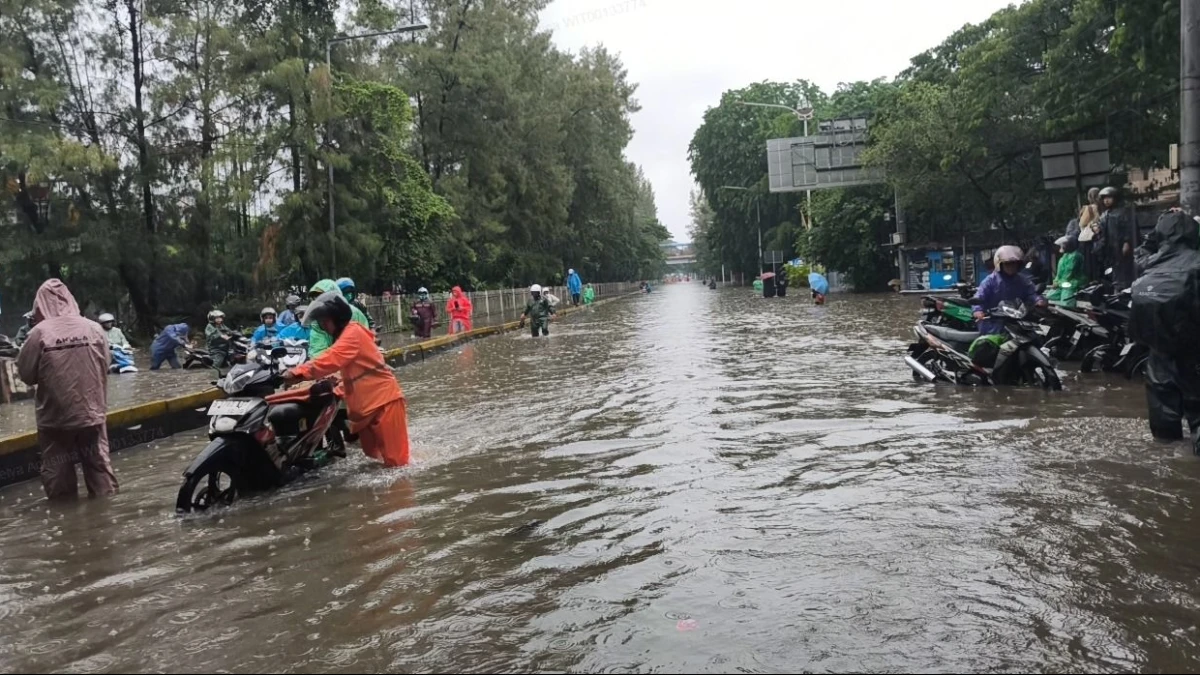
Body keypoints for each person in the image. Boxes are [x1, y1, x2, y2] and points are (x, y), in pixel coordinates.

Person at [15, 279, 118, 500]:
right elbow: (106, 364)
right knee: (99, 465)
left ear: (39, 305)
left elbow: (25, 374)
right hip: (92, 412)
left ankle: (66, 522)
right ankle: (105, 515)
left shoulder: (38, 333)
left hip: (55, 418)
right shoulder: (94, 328)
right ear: (71, 300)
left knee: (57, 472)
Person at [283, 291, 410, 467]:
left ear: (337, 318)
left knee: (397, 465)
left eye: (325, 320)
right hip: (367, 409)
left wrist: (297, 373)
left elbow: (331, 358)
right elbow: (354, 374)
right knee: (375, 461)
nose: (323, 325)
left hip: (384, 404)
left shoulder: (353, 334)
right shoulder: (346, 336)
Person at [1130, 210, 1200, 451]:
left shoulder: (1150, 262)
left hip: (1159, 354)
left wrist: (1154, 236)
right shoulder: (1197, 261)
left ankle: (1167, 464)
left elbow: (1139, 252)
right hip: (1194, 353)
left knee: (1163, 423)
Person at [971, 245, 1048, 335]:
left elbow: (1031, 293)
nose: (1011, 266)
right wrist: (978, 311)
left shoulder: (1022, 280)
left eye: (1014, 263)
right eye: (1008, 264)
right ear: (1000, 264)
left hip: (1017, 319)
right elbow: (979, 296)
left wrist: (1038, 300)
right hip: (994, 321)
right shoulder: (990, 281)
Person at [307, 279, 370, 357]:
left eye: (323, 297)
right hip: (333, 363)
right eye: (315, 299)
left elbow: (363, 342)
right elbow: (317, 350)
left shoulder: (353, 314)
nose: (319, 302)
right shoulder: (317, 322)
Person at [1095, 186, 1137, 289]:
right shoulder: (1104, 215)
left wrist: (1127, 242)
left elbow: (1128, 228)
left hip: (1120, 245)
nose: (1106, 200)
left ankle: (1124, 288)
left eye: (1109, 198)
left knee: (1123, 270)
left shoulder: (1123, 213)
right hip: (1109, 248)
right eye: (1104, 198)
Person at [1047, 236, 1087, 307]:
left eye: (1063, 245)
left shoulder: (1075, 256)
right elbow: (1059, 273)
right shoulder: (1064, 256)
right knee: (1049, 296)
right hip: (1062, 283)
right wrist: (1056, 282)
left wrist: (1058, 284)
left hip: (1072, 283)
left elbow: (1069, 274)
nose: (1061, 247)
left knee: (1066, 303)